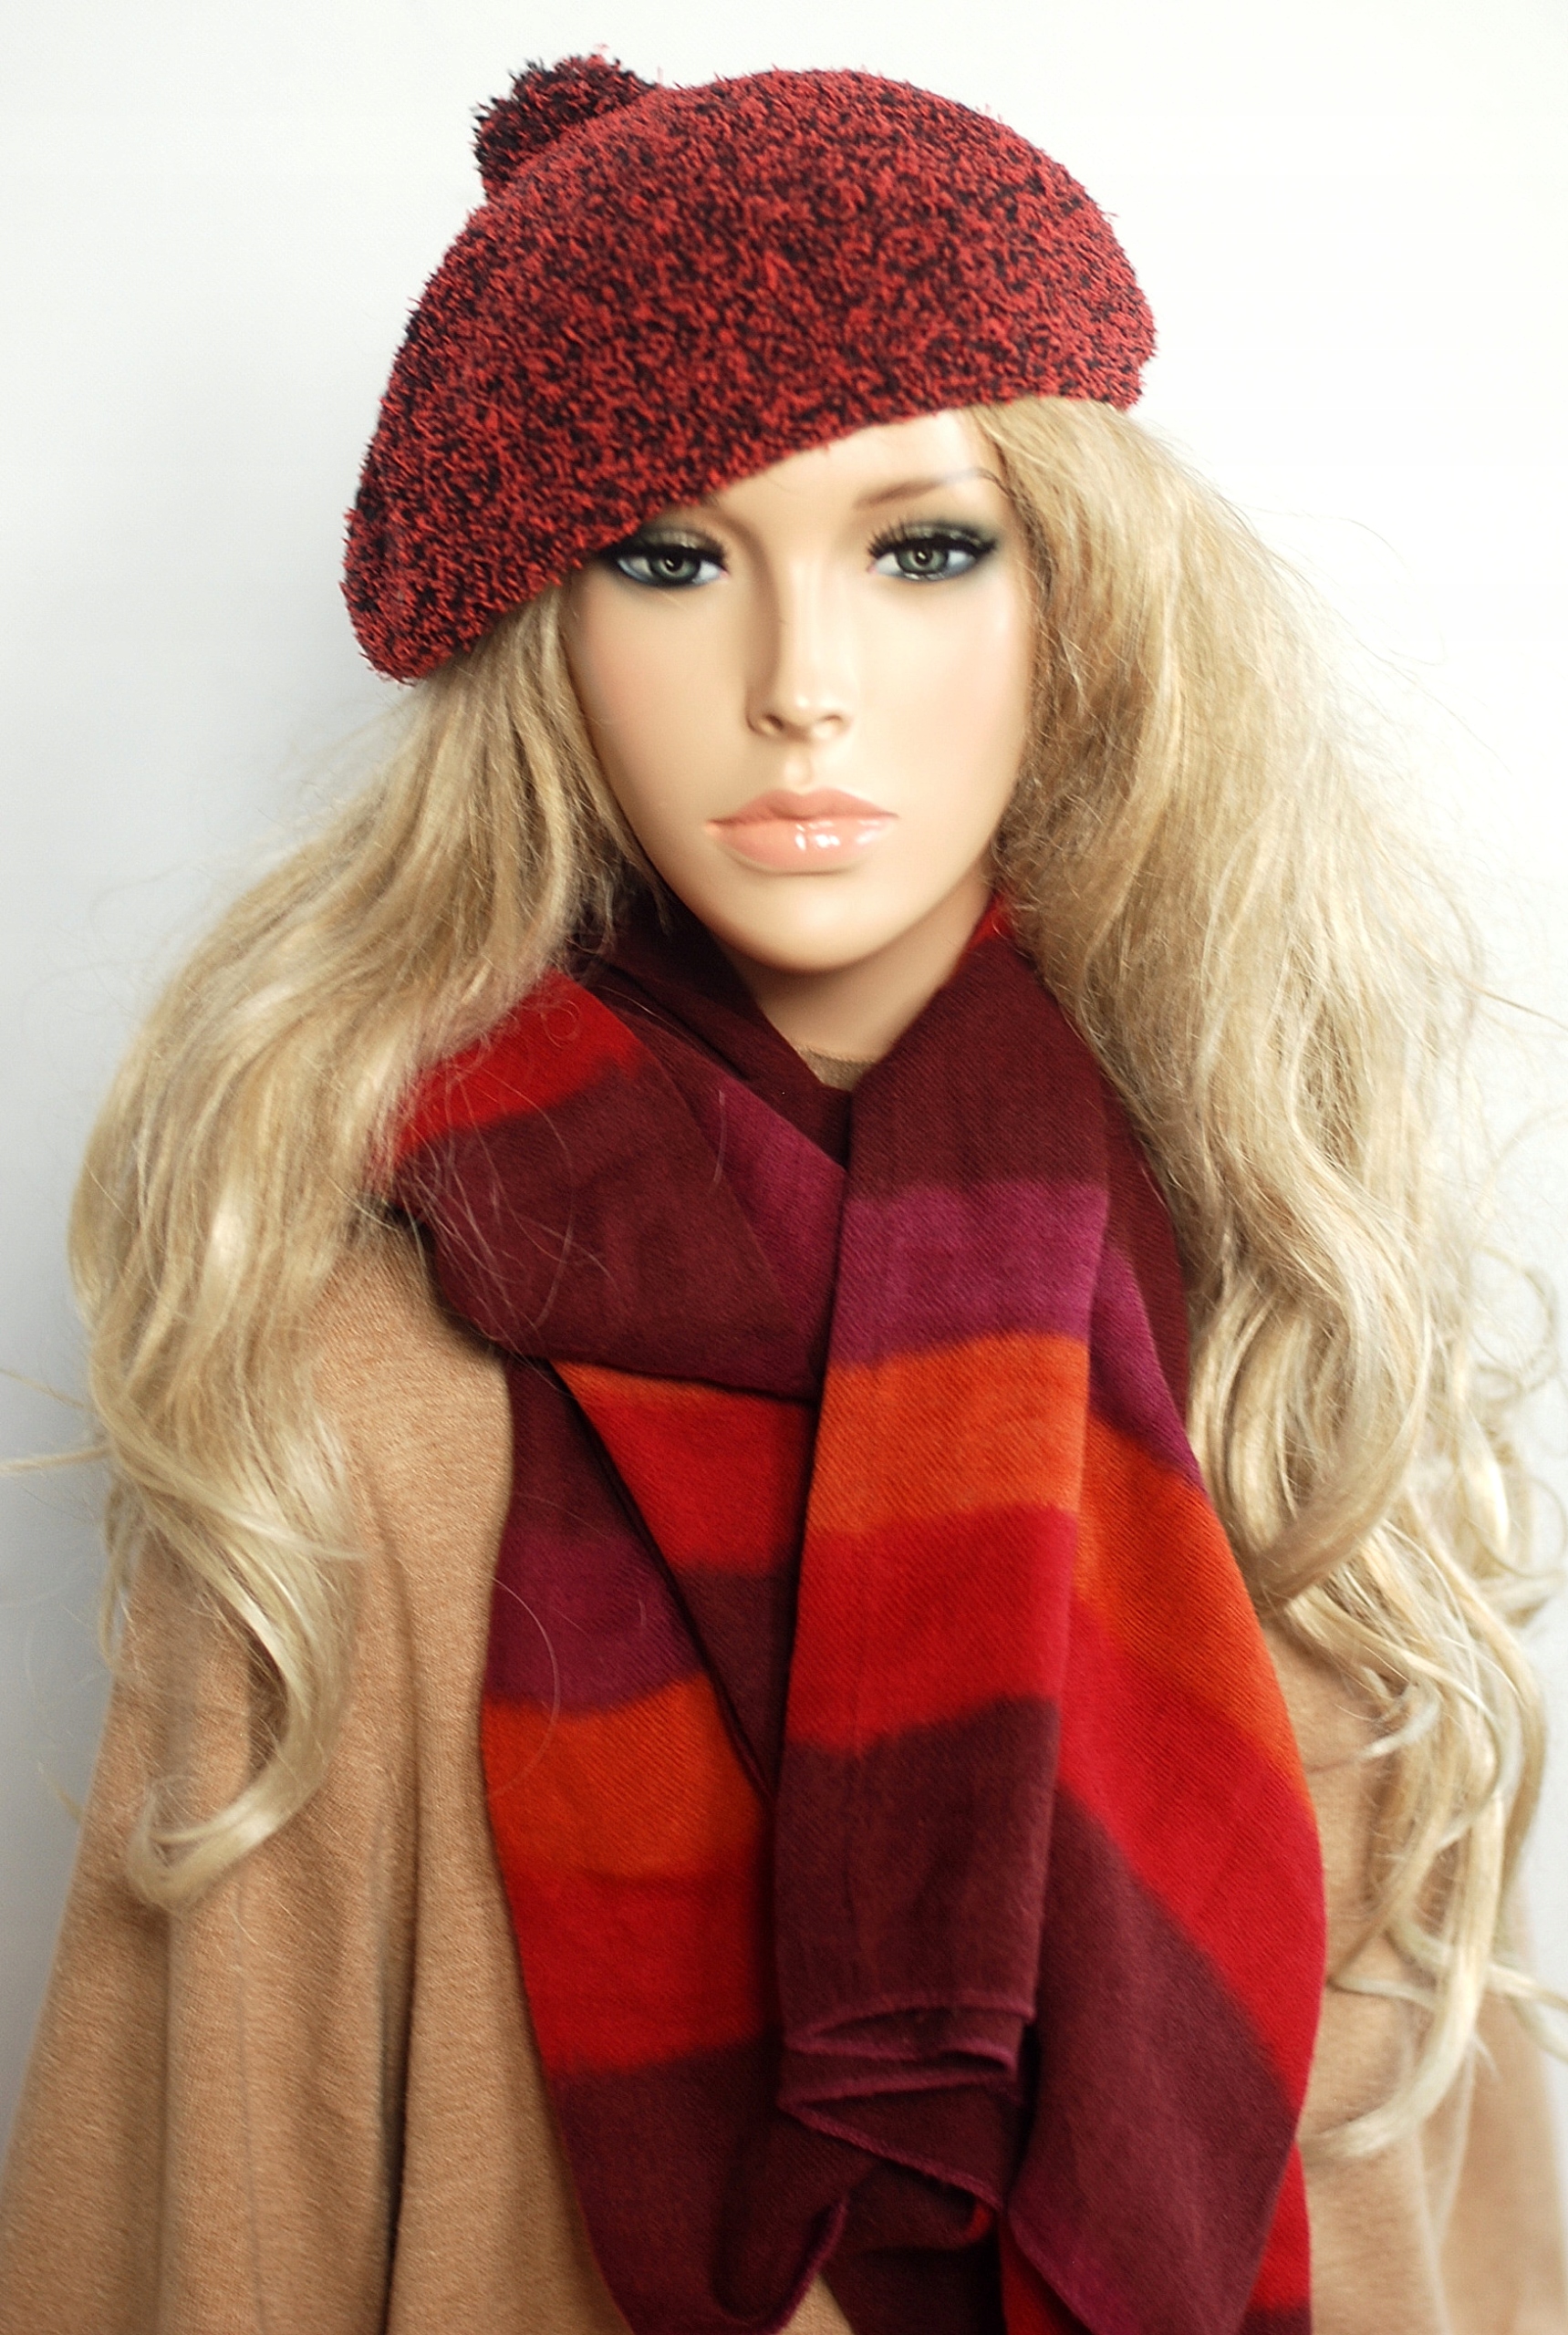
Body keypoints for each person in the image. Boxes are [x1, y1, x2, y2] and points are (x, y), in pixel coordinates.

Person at [0, 54, 1563, 2335]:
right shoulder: (358, 1384)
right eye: (668, 557)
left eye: (922, 547)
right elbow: (214, 2193)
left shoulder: (1268, 1291)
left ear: (1081, 594)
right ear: (545, 636)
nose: (799, 686)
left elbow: (1436, 2188)